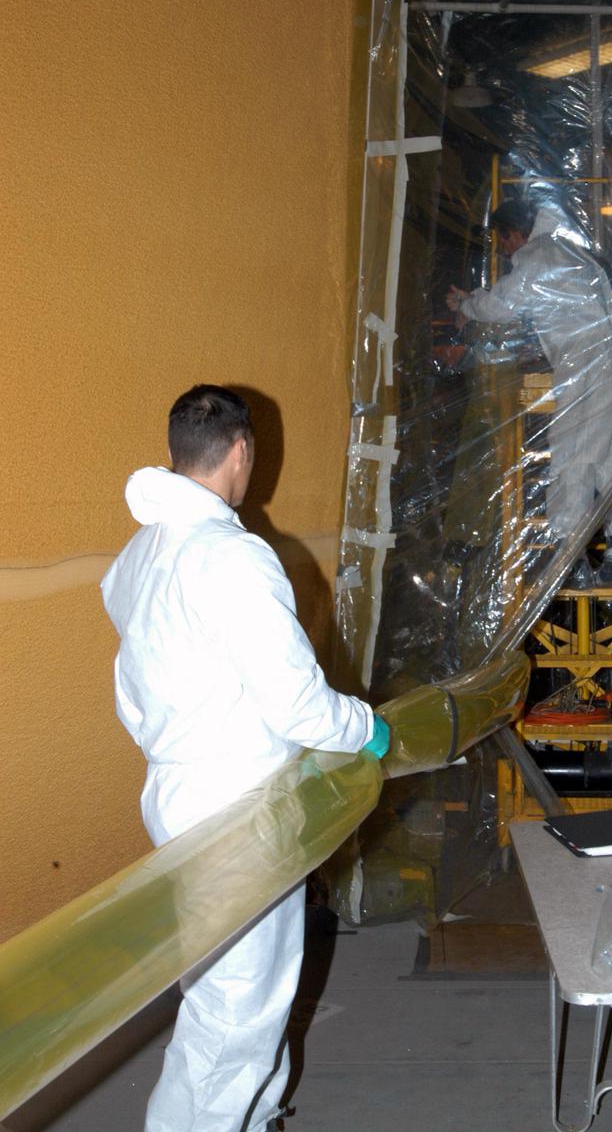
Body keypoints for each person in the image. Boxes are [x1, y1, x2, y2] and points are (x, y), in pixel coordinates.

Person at [101, 384, 389, 1132]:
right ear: (241, 452)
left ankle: (254, 1120)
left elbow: (143, 673)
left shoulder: (138, 555)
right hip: (239, 804)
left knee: (230, 989)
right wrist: (365, 728)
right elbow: (296, 702)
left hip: (177, 791)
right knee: (235, 1011)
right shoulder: (231, 556)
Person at [447, 199, 612, 586]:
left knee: (573, 451)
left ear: (514, 232)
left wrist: (468, 305)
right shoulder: (570, 253)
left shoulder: (538, 254)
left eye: (503, 241)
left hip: (587, 364)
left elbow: (503, 304)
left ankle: (568, 554)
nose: (504, 250)